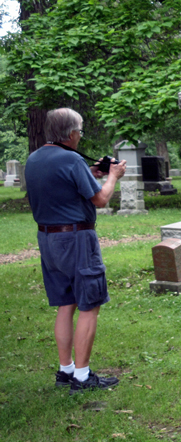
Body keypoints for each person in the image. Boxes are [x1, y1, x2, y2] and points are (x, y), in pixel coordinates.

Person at [25, 108, 127, 394]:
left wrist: (91, 172)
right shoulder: (71, 158)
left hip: (48, 239)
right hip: (76, 239)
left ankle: (65, 369)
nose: (80, 137)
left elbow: (60, 188)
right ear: (71, 134)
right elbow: (101, 199)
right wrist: (112, 176)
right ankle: (82, 377)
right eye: (80, 131)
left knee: (65, 302)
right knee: (89, 304)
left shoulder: (34, 159)